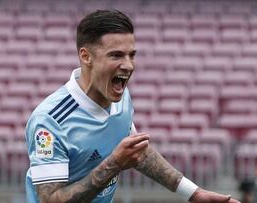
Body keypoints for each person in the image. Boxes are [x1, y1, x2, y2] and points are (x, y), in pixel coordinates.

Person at [25, 9, 241, 203]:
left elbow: (138, 153)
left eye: (132, 55)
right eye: (116, 55)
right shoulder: (50, 120)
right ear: (86, 56)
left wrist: (194, 194)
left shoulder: (120, 97)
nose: (128, 65)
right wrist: (113, 164)